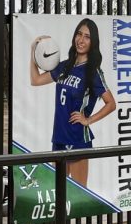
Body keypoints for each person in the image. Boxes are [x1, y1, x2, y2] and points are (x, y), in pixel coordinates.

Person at [30, 18, 116, 188]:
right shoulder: (63, 67)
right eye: (79, 34)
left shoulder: (93, 72)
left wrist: (88, 120)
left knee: (78, 194)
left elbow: (111, 104)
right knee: (58, 192)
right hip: (59, 137)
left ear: (93, 42)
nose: (81, 40)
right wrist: (33, 52)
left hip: (78, 139)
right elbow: (36, 79)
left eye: (87, 37)